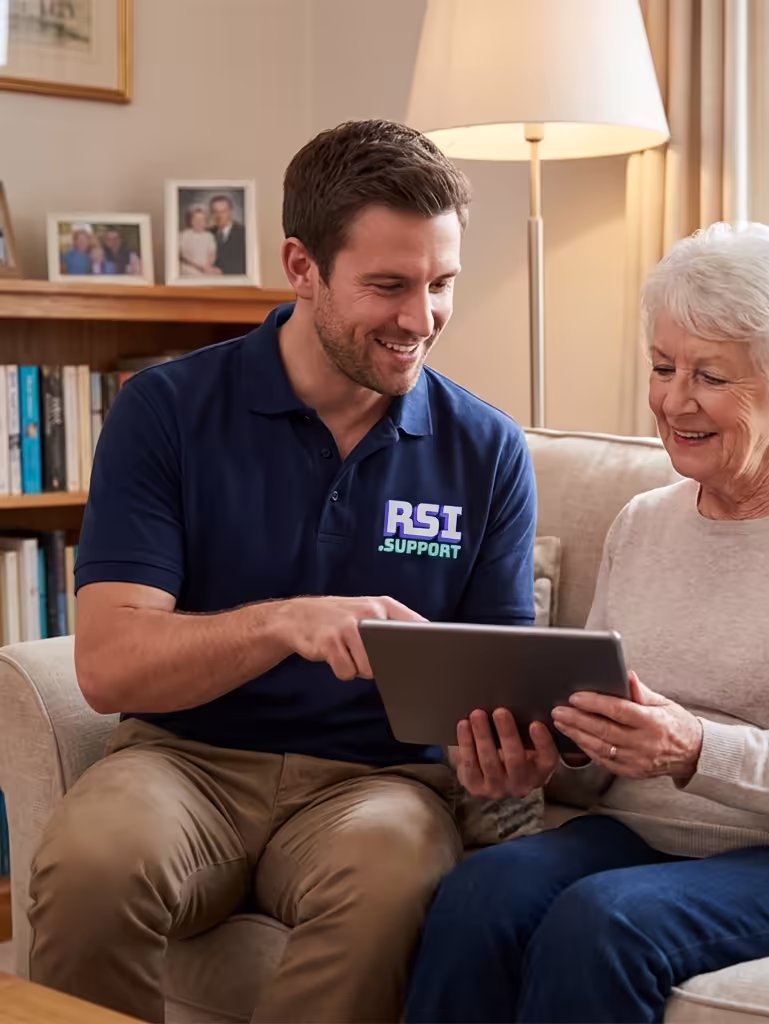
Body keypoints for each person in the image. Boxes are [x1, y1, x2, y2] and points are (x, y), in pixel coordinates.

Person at [27, 119, 537, 1024]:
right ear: (302, 267)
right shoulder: (165, 411)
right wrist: (281, 622)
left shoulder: (487, 449)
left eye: (441, 283)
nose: (421, 319)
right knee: (93, 864)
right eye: (389, 285)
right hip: (185, 762)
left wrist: (507, 753)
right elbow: (107, 667)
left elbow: (499, 679)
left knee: (391, 884)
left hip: (380, 783)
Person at [405, 223, 769, 1024]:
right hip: (645, 833)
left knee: (602, 924)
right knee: (481, 893)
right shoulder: (643, 522)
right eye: (663, 367)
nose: (674, 400)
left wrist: (694, 747)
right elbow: (602, 743)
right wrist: (541, 757)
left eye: (710, 376)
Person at [178, 203, 221, 277]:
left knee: (218, 274)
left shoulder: (209, 236)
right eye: (196, 220)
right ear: (191, 221)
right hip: (189, 266)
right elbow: (182, 256)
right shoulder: (184, 235)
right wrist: (200, 267)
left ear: (206, 222)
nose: (199, 222)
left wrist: (208, 266)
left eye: (202, 220)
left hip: (205, 267)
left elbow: (212, 254)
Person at [210, 193, 248, 275]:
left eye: (223, 211)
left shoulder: (244, 233)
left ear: (231, 212)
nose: (219, 216)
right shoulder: (208, 233)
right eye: (215, 212)